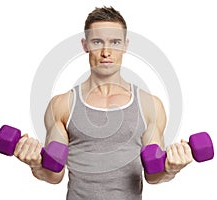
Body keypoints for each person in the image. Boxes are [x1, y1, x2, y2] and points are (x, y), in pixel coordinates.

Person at [13, 6, 192, 200]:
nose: (106, 52)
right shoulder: (62, 105)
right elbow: (54, 174)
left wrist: (171, 169)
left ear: (125, 45)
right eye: (97, 42)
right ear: (85, 45)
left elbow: (153, 174)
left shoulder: (150, 105)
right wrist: (35, 164)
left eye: (115, 42)